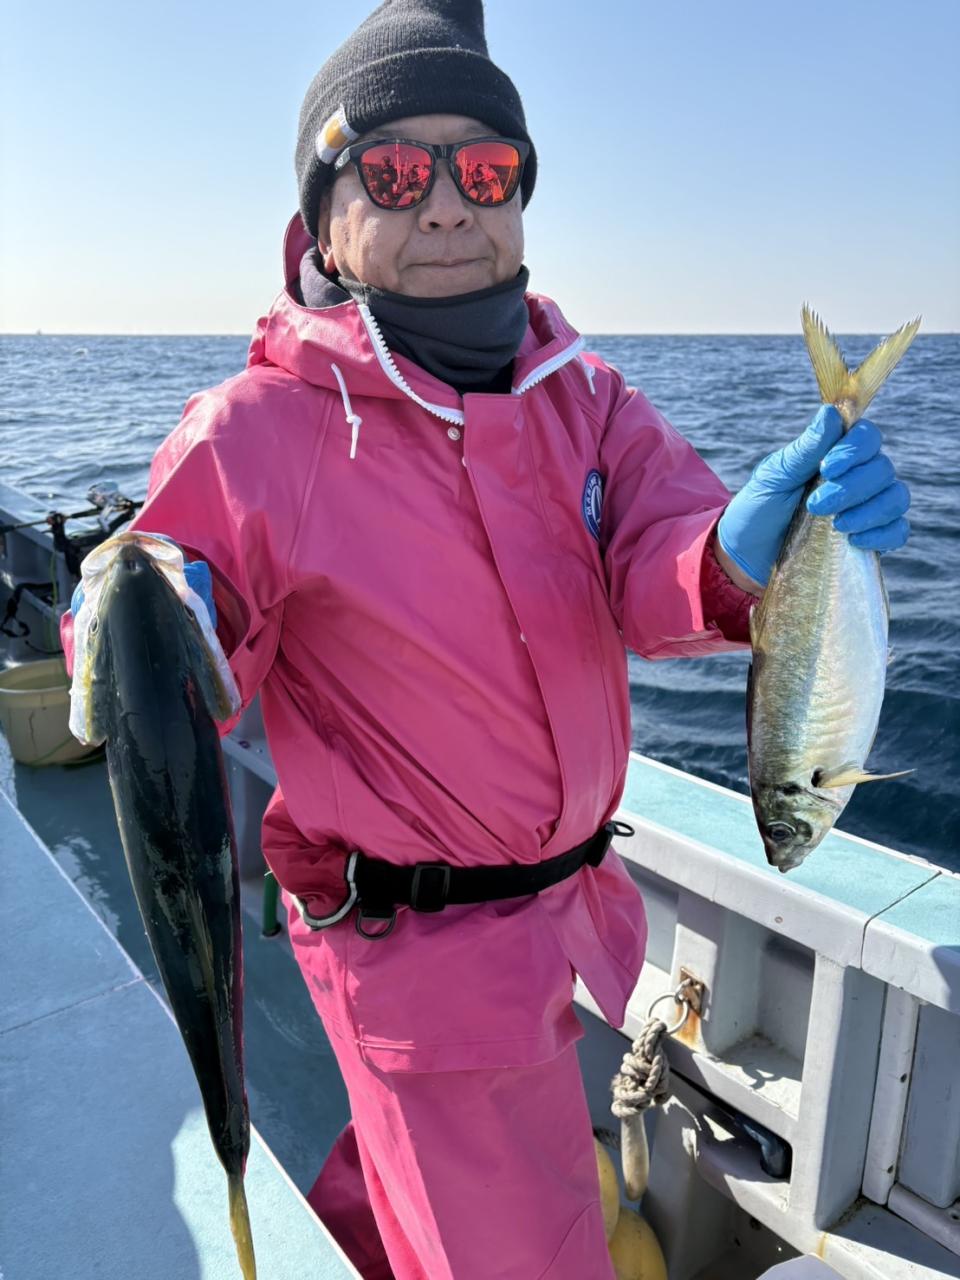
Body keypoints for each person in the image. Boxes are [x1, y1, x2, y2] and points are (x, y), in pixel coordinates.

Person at [70, 1, 911, 1276]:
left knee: (432, 1185)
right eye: (395, 173)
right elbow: (172, 616)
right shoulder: (257, 428)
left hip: (568, 919)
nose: (447, 207)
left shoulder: (587, 394)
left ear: (520, 195)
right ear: (322, 221)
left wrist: (745, 554)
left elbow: (662, 557)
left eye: (485, 170)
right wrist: (142, 609)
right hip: (418, 965)